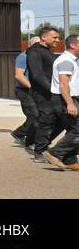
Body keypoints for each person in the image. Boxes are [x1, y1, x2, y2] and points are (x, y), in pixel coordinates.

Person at [43, 34, 79, 170]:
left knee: (72, 129)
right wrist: (70, 104)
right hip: (64, 99)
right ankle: (54, 153)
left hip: (68, 99)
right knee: (77, 130)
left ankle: (69, 160)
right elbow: (64, 84)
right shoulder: (66, 61)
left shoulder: (73, 60)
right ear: (73, 45)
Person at [30, 27, 64, 161]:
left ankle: (42, 146)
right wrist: (52, 89)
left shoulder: (47, 51)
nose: (57, 40)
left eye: (58, 37)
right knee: (47, 121)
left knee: (62, 120)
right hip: (42, 94)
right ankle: (40, 151)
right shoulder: (35, 52)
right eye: (54, 37)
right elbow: (37, 74)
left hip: (52, 93)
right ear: (44, 37)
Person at [13, 36, 42, 148]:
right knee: (35, 116)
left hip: (36, 91)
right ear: (31, 45)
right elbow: (19, 75)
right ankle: (26, 137)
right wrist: (32, 87)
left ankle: (19, 133)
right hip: (24, 90)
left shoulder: (38, 57)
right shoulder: (23, 57)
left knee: (38, 116)